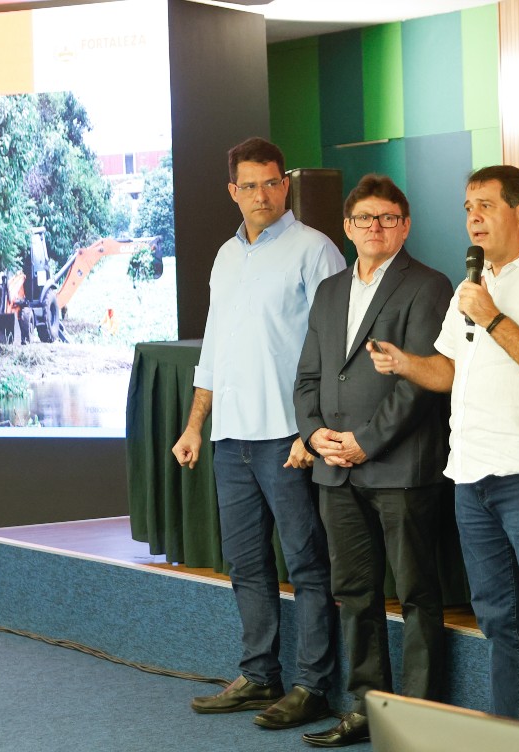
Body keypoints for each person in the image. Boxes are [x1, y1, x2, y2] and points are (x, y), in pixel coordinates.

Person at [369, 165, 519, 732]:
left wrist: (492, 316)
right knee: (498, 621)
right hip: (470, 473)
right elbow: (450, 369)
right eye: (468, 207)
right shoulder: (472, 285)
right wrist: (404, 363)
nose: (472, 218)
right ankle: (510, 737)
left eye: (486, 206)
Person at [172, 137, 345, 730]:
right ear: (233, 192)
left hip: (288, 438)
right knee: (246, 564)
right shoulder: (225, 256)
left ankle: (314, 686)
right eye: (249, 186)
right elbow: (214, 349)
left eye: (272, 183)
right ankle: (259, 674)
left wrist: (312, 430)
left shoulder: (314, 250)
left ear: (285, 185)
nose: (262, 195)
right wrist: (195, 426)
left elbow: (336, 347)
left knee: (307, 565)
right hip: (231, 439)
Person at [292, 174, 453, 748]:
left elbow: (420, 381)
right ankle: (365, 709)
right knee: (355, 593)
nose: (375, 227)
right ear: (347, 227)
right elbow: (309, 376)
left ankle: (417, 720)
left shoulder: (429, 285)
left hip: (400, 466)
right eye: (364, 218)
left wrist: (366, 441)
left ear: (405, 227)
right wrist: (314, 434)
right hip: (334, 469)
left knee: (416, 596)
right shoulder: (330, 290)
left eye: (388, 218)